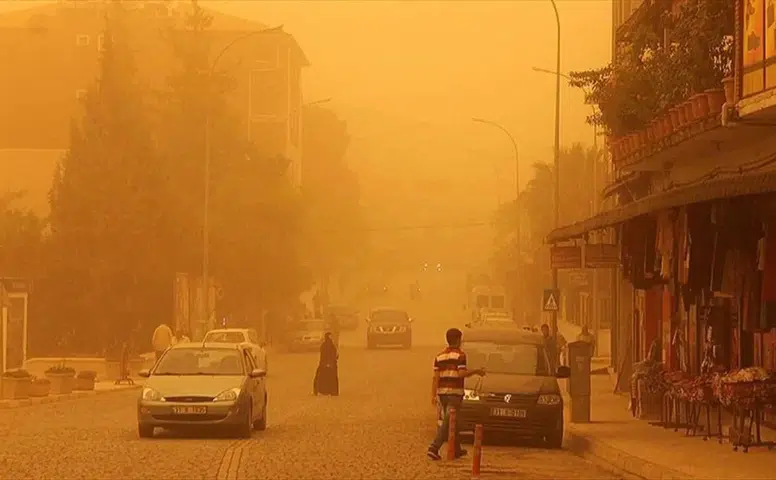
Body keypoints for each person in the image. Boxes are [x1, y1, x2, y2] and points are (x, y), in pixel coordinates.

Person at [427, 328, 486, 461]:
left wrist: (433, 394)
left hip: (442, 394)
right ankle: (434, 447)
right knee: (448, 421)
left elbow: (435, 378)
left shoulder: (439, 356)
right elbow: (461, 374)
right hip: (455, 394)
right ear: (458, 340)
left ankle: (457, 449)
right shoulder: (460, 355)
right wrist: (476, 371)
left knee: (453, 421)